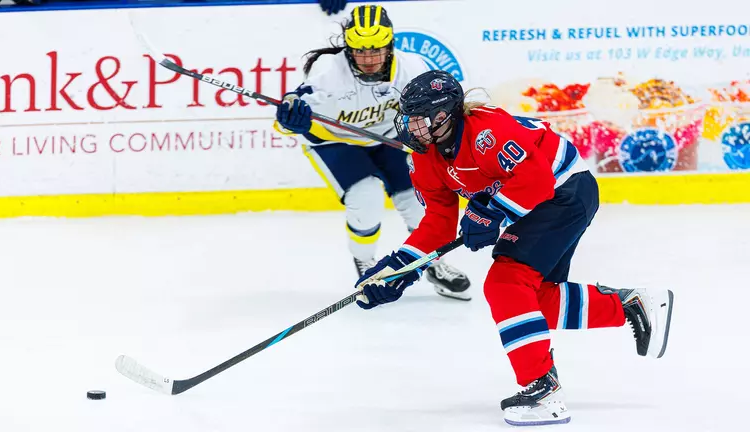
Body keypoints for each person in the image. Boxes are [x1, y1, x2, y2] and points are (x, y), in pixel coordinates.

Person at [354, 70, 675, 426]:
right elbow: (438, 224)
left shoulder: (487, 130)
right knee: (532, 301)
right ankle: (630, 306)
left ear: (445, 115)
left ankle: (543, 390)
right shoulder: (425, 157)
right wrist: (397, 270)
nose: (411, 128)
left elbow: (536, 179)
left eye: (420, 119)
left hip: (565, 191)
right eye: (408, 119)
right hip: (538, 203)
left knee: (505, 285)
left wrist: (491, 213)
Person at [275, 5, 471, 300]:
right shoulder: (327, 71)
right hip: (334, 140)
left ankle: (432, 261)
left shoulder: (411, 69)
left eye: (376, 50)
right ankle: (366, 261)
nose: (368, 59)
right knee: (365, 198)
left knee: (420, 202)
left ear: (390, 45)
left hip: (389, 139)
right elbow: (289, 115)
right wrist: (291, 119)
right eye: (360, 51)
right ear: (348, 47)